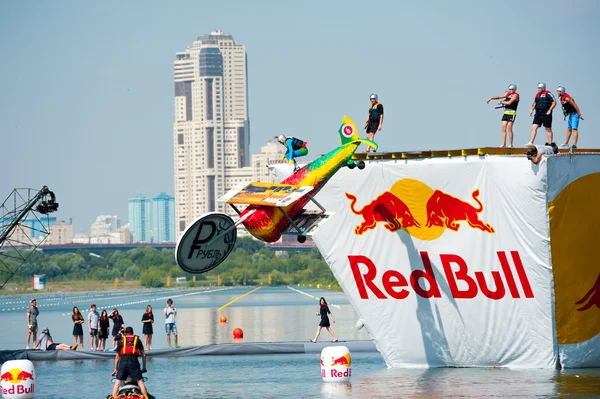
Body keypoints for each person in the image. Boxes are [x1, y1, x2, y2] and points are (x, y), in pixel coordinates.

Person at [111, 326, 148, 399]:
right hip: (134, 361)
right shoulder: (137, 340)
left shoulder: (121, 340)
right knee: (140, 382)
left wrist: (115, 369)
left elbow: (117, 357)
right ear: (133, 333)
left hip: (123, 362)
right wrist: (144, 367)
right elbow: (143, 355)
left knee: (118, 382)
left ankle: (113, 397)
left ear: (125, 333)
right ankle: (145, 397)